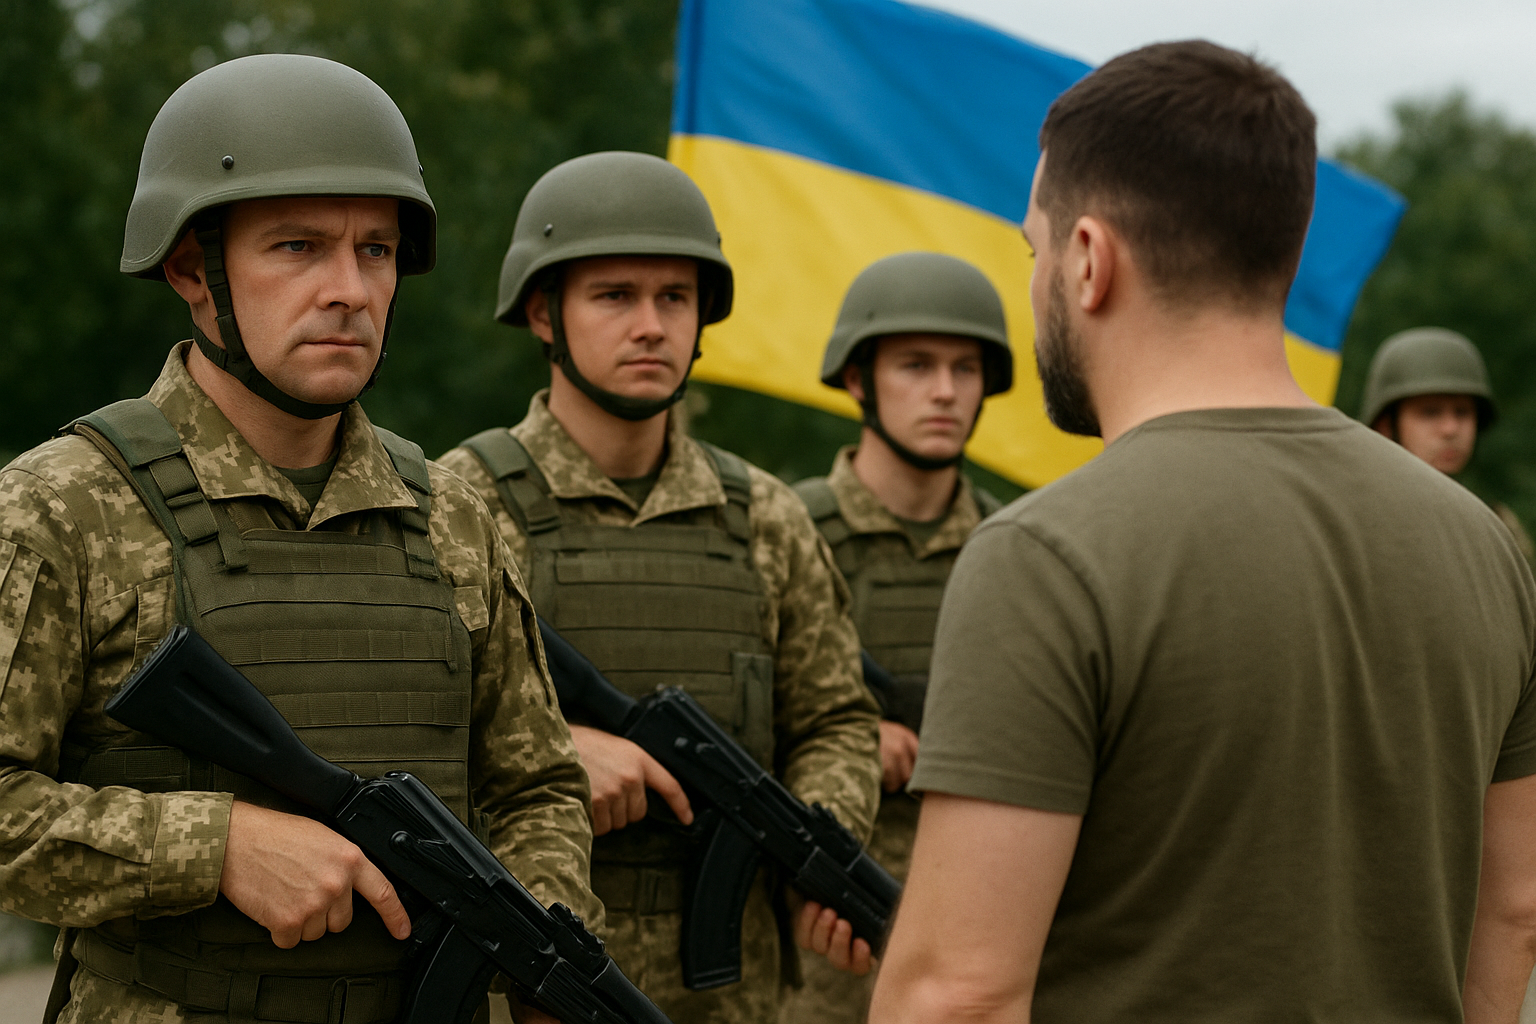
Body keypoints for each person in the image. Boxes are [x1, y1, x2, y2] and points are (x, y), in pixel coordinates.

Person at [869, 40, 1536, 1024]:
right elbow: (1515, 910)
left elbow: (958, 994)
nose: (1036, 281)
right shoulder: (1485, 548)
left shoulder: (1046, 558)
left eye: (1034, 251)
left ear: (1088, 259)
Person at [0, 55, 598, 1024]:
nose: (349, 290)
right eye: (297, 247)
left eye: (377, 250)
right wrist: (216, 848)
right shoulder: (64, 506)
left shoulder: (452, 514)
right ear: (191, 270)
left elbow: (536, 787)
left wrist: (544, 943)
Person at [436, 151, 882, 1023]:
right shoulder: (460, 506)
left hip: (734, 995)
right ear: (543, 312)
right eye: (615, 296)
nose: (650, 326)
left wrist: (816, 844)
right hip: (532, 988)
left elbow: (836, 719)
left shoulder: (766, 518)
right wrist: (556, 755)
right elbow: (395, 744)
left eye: (674, 297)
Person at [780, 251, 1011, 1024]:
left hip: (984, 928)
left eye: (965, 368)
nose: (945, 391)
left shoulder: (1021, 550)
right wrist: (841, 741)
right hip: (815, 941)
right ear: (858, 379)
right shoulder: (782, 532)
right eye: (916, 365)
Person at [1361, 326, 1534, 558]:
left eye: (1462, 412)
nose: (1451, 429)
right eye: (1430, 412)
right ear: (1385, 426)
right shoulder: (1359, 521)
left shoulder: (1497, 524)